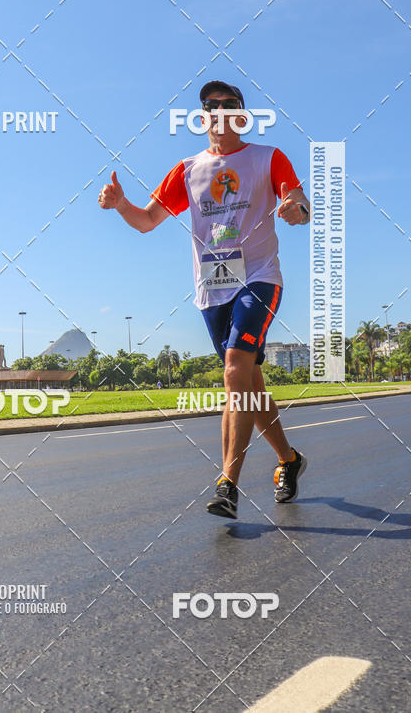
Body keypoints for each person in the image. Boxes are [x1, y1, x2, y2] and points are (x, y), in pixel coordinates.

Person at [98, 80, 310, 519]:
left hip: (259, 280)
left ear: (241, 114)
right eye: (210, 105)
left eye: (229, 104)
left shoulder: (267, 158)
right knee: (248, 383)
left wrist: (294, 208)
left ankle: (227, 482)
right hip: (213, 289)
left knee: (235, 366)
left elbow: (297, 200)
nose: (219, 111)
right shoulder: (187, 169)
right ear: (202, 117)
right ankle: (289, 460)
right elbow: (146, 222)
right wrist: (121, 205)